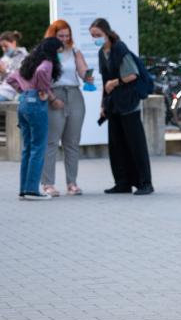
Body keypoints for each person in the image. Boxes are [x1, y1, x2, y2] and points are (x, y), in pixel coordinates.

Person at [90, 18, 153, 195]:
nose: (96, 38)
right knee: (116, 145)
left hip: (128, 103)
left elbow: (133, 74)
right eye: (93, 35)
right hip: (114, 104)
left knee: (136, 144)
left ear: (107, 33)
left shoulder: (120, 49)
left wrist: (114, 82)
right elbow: (104, 82)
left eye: (98, 35)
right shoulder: (102, 53)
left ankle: (145, 183)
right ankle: (122, 182)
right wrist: (103, 104)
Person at [7, 37, 61, 200]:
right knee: (38, 148)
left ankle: (24, 189)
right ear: (53, 50)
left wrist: (23, 90)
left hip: (23, 102)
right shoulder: (46, 63)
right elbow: (42, 73)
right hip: (36, 104)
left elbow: (10, 78)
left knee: (28, 148)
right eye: (59, 51)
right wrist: (44, 89)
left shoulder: (29, 62)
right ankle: (32, 190)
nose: (59, 54)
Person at [40, 20, 90, 196]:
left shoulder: (74, 51)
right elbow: (40, 78)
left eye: (67, 35)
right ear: (53, 35)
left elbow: (83, 71)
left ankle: (72, 183)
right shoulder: (46, 52)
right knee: (52, 141)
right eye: (61, 36)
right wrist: (52, 99)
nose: (64, 39)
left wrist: (88, 76)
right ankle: (48, 184)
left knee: (72, 142)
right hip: (54, 95)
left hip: (74, 95)